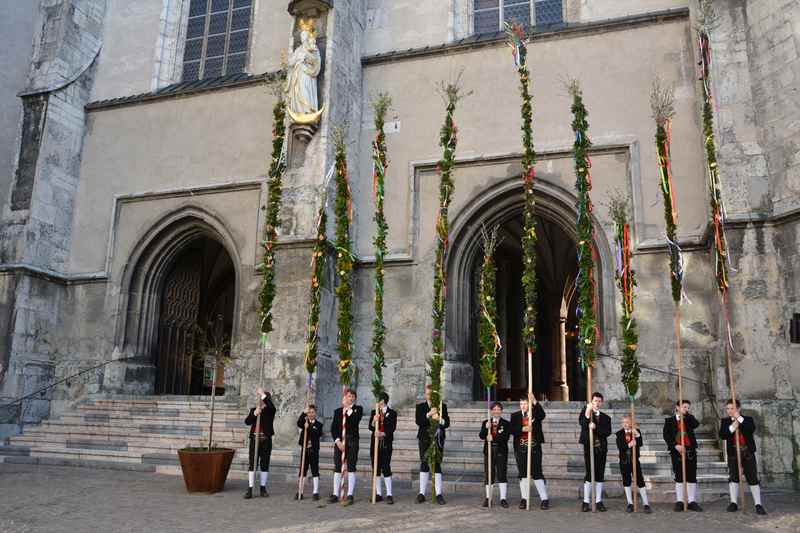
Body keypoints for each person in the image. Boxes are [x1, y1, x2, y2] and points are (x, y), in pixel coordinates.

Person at [719, 399, 767, 515]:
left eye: (732, 408)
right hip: (733, 453)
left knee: (752, 478)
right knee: (733, 477)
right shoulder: (725, 421)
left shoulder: (748, 420)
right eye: (728, 409)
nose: (729, 411)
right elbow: (722, 435)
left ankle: (758, 504)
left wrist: (739, 419)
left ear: (738, 409)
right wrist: (733, 427)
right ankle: (733, 502)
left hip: (747, 453)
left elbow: (750, 430)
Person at [509, 392, 549, 509]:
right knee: (523, 474)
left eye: (525, 403)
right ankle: (524, 498)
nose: (523, 406)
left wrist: (535, 401)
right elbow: (511, 430)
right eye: (521, 404)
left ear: (529, 404)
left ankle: (544, 499)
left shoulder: (535, 413)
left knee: (537, 473)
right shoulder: (515, 416)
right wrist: (522, 429)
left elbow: (542, 415)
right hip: (520, 448)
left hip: (535, 448)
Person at [663, 399, 702, 512]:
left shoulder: (689, 419)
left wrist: (686, 415)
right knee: (679, 476)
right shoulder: (669, 421)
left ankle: (691, 501)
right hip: (677, 452)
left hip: (690, 451)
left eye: (688, 407)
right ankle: (679, 501)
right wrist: (675, 446)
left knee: (691, 476)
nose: (686, 409)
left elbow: (696, 424)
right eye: (684, 407)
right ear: (677, 407)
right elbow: (667, 436)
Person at [415, 384, 450, 505]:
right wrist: (429, 414)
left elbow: (447, 423)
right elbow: (419, 421)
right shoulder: (420, 407)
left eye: (432, 394)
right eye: (427, 393)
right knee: (424, 464)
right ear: (425, 394)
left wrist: (439, 417)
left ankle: (439, 493)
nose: (429, 396)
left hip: (438, 439)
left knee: (437, 464)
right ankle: (421, 493)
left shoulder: (442, 406)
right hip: (424, 439)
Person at [329, 389, 363, 505]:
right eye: (349, 396)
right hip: (340, 441)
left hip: (352, 440)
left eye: (353, 396)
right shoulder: (338, 412)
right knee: (338, 466)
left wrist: (348, 409)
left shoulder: (358, 410)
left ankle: (350, 494)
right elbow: (333, 428)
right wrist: (337, 441)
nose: (351, 398)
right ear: (345, 397)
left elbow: (354, 421)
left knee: (351, 466)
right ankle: (335, 493)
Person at [579, 392, 612, 512]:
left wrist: (595, 427)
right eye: (595, 401)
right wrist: (587, 411)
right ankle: (586, 501)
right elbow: (582, 424)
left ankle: (598, 501)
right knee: (589, 474)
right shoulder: (586, 412)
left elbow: (607, 432)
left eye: (599, 401)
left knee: (599, 474)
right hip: (589, 447)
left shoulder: (606, 418)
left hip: (601, 449)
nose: (597, 403)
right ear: (591, 402)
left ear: (601, 403)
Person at [244, 387, 276, 499]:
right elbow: (247, 422)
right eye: (260, 398)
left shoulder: (270, 410)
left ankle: (263, 488)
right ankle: (250, 488)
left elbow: (271, 407)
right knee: (252, 463)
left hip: (265, 440)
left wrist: (263, 394)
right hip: (254, 439)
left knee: (264, 464)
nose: (261, 400)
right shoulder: (254, 409)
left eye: (262, 398)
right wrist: (254, 414)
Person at [615, 415, 652, 513]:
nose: (625, 424)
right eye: (623, 422)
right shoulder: (619, 434)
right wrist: (628, 445)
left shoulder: (636, 432)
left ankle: (646, 504)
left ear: (631, 423)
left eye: (627, 422)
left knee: (640, 480)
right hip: (624, 461)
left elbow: (640, 443)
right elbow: (620, 446)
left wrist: (637, 436)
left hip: (634, 460)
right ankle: (630, 503)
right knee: (626, 480)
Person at [479, 401, 512, 508]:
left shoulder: (506, 423)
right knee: (489, 474)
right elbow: (481, 435)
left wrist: (493, 438)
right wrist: (485, 428)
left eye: (498, 409)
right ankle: (488, 498)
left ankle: (503, 498)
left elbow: (505, 437)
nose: (496, 411)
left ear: (501, 411)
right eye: (494, 409)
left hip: (501, 451)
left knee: (502, 474)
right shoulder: (486, 422)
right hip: (488, 451)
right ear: (491, 411)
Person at [368, 392, 397, 504]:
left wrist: (383, 433)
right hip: (374, 445)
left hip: (386, 444)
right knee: (376, 468)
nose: (376, 402)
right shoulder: (374, 412)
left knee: (386, 467)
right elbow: (370, 427)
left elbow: (392, 428)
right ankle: (378, 493)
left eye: (378, 400)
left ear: (383, 401)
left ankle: (389, 494)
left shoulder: (392, 413)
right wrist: (374, 420)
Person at [296, 404, 324, 501]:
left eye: (312, 412)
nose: (311, 414)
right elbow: (298, 423)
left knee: (315, 470)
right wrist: (303, 413)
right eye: (309, 412)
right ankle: (300, 491)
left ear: (315, 413)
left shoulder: (319, 425)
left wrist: (309, 428)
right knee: (302, 470)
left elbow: (317, 434)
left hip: (314, 450)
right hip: (305, 450)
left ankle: (315, 492)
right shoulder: (303, 422)